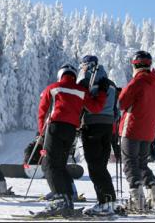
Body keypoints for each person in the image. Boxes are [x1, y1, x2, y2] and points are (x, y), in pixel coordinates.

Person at [36, 63, 108, 217]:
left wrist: (42, 133)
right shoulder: (81, 91)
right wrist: (102, 91)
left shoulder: (53, 88)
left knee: (49, 164)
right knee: (60, 165)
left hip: (55, 127)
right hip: (71, 131)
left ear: (61, 75)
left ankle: (59, 200)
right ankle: (67, 200)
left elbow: (43, 111)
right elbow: (96, 108)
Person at [118, 51, 155, 211]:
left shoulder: (137, 82)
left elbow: (122, 103)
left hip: (131, 129)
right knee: (142, 164)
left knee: (130, 164)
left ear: (135, 65)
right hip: (148, 132)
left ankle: (137, 201)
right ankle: (154, 198)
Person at [77, 55, 118, 215]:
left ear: (87, 65)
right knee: (101, 165)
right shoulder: (110, 83)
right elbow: (116, 108)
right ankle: (109, 200)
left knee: (95, 166)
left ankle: (105, 203)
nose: (82, 68)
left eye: (83, 65)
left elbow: (83, 102)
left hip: (92, 124)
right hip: (108, 126)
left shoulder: (86, 81)